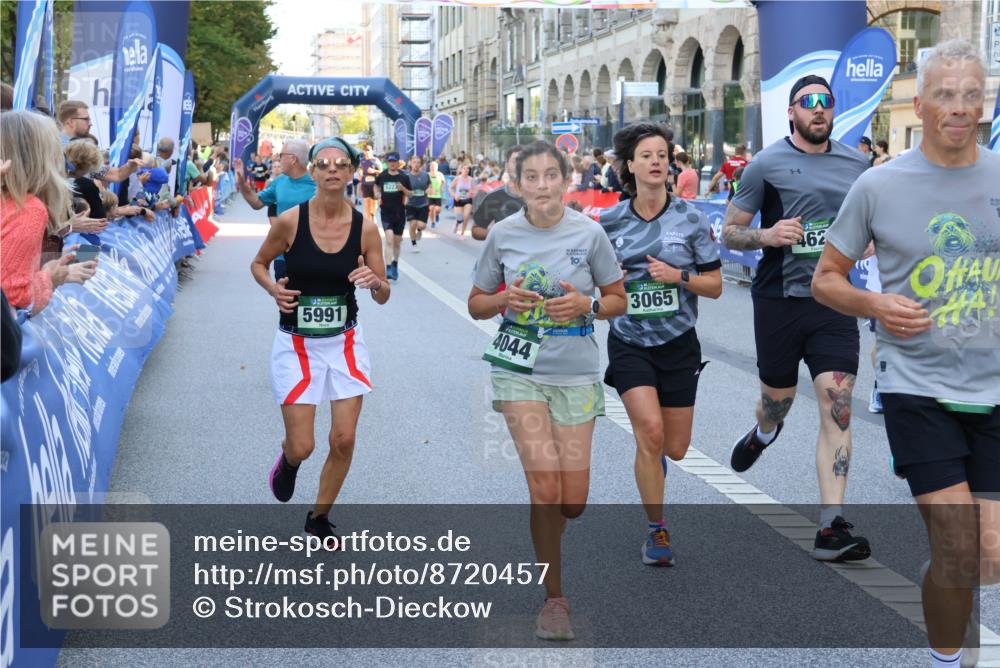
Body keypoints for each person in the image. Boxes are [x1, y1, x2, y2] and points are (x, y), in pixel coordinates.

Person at [812, 39, 998, 668]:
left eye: (971, 94)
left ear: (985, 104)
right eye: (946, 94)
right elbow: (826, 278)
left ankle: (952, 581)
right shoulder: (878, 185)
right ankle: (948, 657)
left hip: (996, 386)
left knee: (987, 557)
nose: (960, 106)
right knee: (955, 544)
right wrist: (878, 306)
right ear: (919, 104)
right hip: (916, 383)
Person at [468, 141, 626, 641]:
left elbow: (618, 298)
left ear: (566, 180)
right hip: (519, 370)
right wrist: (500, 299)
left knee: (573, 501)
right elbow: (475, 304)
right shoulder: (503, 234)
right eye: (530, 177)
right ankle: (554, 598)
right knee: (546, 489)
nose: (541, 186)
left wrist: (588, 304)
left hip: (576, 371)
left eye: (549, 176)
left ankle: (548, 545)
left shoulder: (591, 233)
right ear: (516, 186)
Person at [722, 74, 872, 562]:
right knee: (777, 401)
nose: (818, 110)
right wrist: (767, 236)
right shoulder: (765, 165)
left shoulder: (858, 165)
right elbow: (729, 233)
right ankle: (764, 432)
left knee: (837, 402)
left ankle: (831, 525)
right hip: (779, 301)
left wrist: (871, 240)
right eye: (808, 102)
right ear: (791, 112)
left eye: (825, 103)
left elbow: (880, 223)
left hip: (833, 300)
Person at [250, 137, 390, 543]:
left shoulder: (366, 229)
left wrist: (375, 282)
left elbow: (382, 294)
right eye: (323, 164)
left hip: (345, 342)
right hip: (296, 345)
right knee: (304, 444)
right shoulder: (290, 221)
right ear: (312, 173)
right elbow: (259, 264)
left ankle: (318, 517)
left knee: (343, 439)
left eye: (340, 164)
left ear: (351, 173)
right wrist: (273, 289)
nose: (332, 170)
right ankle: (290, 461)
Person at [601, 123, 723, 566]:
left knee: (674, 447)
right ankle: (657, 530)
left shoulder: (691, 218)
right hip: (630, 340)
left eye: (662, 154)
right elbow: (593, 279)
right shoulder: (610, 221)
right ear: (629, 166)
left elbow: (715, 286)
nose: (656, 161)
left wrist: (679, 277)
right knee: (649, 433)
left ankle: (656, 464)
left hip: (678, 342)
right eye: (646, 155)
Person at [1, 111, 98, 315]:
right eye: (56, 149)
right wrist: (51, 277)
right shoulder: (27, 209)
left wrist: (51, 265)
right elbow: (12, 297)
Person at [234, 139, 316, 279]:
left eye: (281, 155)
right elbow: (256, 203)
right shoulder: (279, 181)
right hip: (282, 258)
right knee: (286, 299)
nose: (277, 159)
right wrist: (241, 183)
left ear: (293, 159)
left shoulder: (318, 182)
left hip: (313, 256)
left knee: (310, 300)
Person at [57, 101, 140, 183]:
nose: (90, 123)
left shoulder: (83, 149)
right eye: (86, 119)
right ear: (71, 122)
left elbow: (115, 175)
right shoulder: (53, 147)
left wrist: (130, 166)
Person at [471, 145, 523, 242]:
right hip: (507, 256)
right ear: (507, 166)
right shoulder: (494, 197)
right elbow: (476, 230)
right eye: (515, 161)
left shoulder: (542, 196)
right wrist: (498, 233)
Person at [374, 152, 411, 280]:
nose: (392, 163)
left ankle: (395, 263)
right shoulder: (382, 175)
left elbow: (411, 194)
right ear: (387, 162)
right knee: (389, 240)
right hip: (386, 213)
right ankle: (388, 267)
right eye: (390, 161)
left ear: (398, 162)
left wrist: (403, 189)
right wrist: (377, 194)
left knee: (397, 243)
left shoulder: (403, 177)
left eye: (394, 161)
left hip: (399, 213)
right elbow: (376, 186)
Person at [404, 155, 430, 254]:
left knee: (421, 225)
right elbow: (403, 189)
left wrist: (428, 190)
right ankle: (414, 244)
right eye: (414, 162)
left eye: (418, 162)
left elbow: (430, 185)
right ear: (410, 163)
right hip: (411, 204)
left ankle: (419, 230)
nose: (416, 164)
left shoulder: (425, 175)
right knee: (412, 224)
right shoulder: (407, 177)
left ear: (421, 164)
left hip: (423, 204)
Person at [449, 163, 475, 238]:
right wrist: (454, 195)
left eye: (467, 168)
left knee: (466, 216)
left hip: (468, 199)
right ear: (461, 170)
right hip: (458, 199)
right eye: (464, 168)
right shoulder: (457, 178)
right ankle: (457, 223)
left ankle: (462, 233)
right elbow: (450, 188)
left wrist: (472, 193)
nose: (466, 170)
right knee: (460, 218)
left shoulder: (471, 179)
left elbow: (475, 190)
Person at [358, 146, 381, 222]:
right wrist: (360, 174)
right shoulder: (362, 161)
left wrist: (374, 171)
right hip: (365, 184)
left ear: (371, 151)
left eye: (368, 150)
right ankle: (368, 221)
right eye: (365, 150)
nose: (367, 152)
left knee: (374, 203)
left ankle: (372, 214)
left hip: (374, 185)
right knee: (367, 203)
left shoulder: (375, 160)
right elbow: (360, 169)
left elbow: (381, 171)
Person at [426, 160, 446, 229]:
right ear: (429, 167)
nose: (433, 168)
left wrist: (443, 188)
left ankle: (436, 215)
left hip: (438, 195)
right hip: (430, 196)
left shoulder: (440, 174)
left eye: (434, 166)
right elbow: (424, 184)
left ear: (437, 167)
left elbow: (444, 182)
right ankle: (433, 222)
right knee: (431, 209)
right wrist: (429, 189)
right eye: (431, 166)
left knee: (438, 209)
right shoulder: (427, 175)